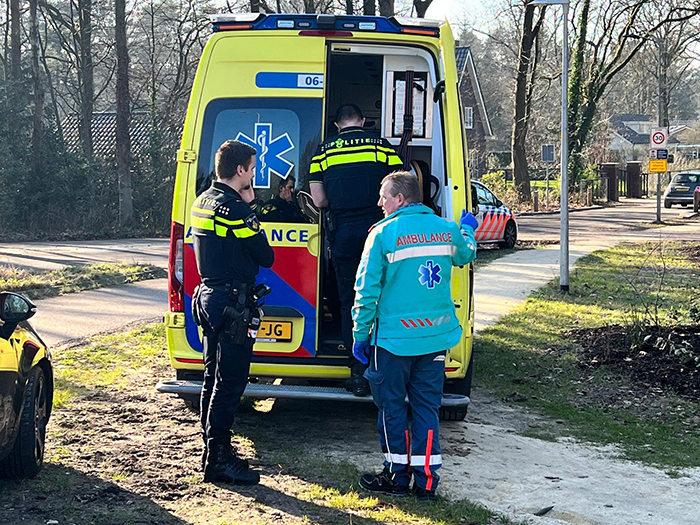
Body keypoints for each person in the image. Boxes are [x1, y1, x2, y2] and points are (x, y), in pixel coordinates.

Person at [351, 171, 478, 500]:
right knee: (426, 408)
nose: (379, 202)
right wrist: (466, 228)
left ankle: (396, 477)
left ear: (401, 199)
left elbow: (366, 291)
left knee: (391, 407)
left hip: (393, 340)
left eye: (384, 196)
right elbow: (466, 253)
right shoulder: (445, 229)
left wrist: (360, 333)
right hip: (435, 339)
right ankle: (426, 483)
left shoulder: (382, 234)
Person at [191, 139, 275, 485]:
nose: (254, 175)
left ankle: (212, 448)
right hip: (232, 302)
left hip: (210, 297)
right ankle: (219, 459)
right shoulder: (237, 209)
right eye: (253, 169)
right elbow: (265, 256)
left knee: (212, 376)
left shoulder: (203, 200)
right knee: (231, 381)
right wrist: (251, 207)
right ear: (240, 170)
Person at [309, 103, 403, 396]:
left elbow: (320, 201)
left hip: (346, 233)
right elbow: (405, 189)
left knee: (351, 299)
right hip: (381, 231)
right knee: (385, 298)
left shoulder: (322, 152)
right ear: (362, 121)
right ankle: (385, 367)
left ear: (337, 125)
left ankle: (358, 371)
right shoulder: (382, 147)